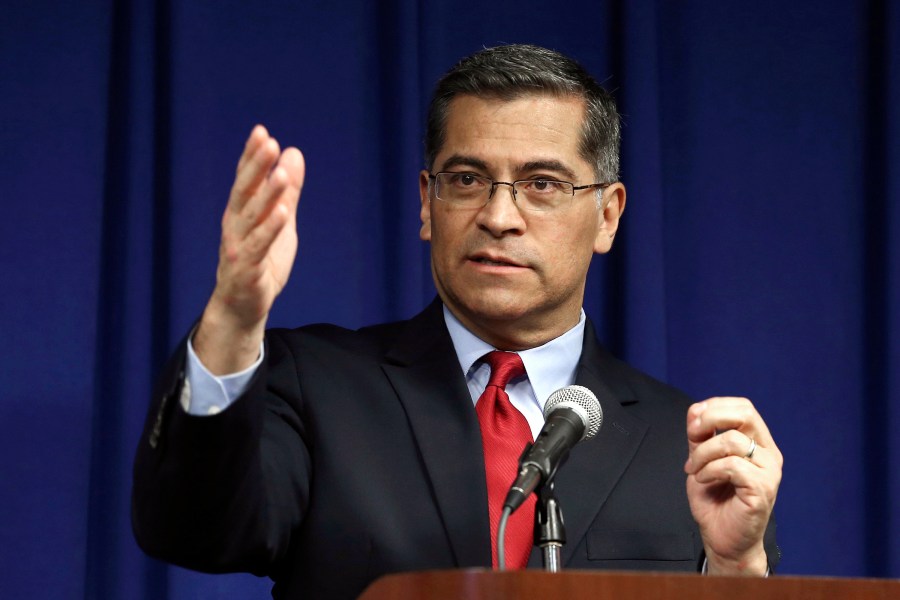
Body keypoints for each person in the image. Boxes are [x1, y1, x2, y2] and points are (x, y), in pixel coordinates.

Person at [132, 44, 782, 599]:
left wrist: (735, 572)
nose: (499, 216)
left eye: (543, 184)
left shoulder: (687, 447)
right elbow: (194, 528)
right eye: (468, 179)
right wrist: (234, 320)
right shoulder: (314, 386)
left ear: (607, 216)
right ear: (426, 202)